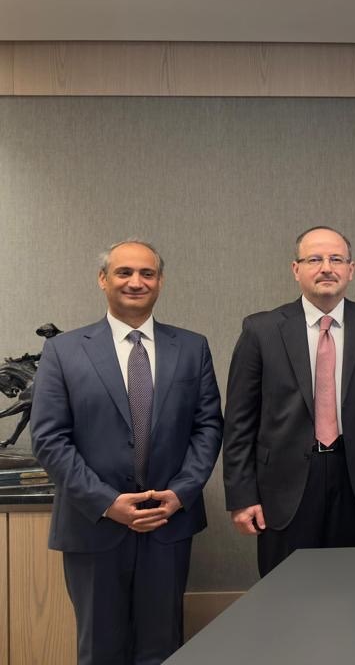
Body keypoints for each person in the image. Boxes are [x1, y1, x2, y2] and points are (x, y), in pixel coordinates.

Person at [30, 240, 223, 664]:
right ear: (103, 280)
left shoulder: (192, 347)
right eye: (124, 272)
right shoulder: (63, 351)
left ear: (160, 282)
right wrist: (106, 502)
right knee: (100, 650)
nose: (136, 282)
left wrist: (181, 493)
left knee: (163, 648)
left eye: (147, 273)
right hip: (92, 525)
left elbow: (208, 427)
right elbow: (48, 438)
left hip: (167, 523)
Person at [222, 226, 355, 576]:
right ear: (296, 269)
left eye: (336, 259)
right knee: (285, 589)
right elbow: (239, 420)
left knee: (350, 585)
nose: (326, 268)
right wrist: (241, 495)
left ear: (351, 269)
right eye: (314, 259)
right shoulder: (262, 330)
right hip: (283, 482)